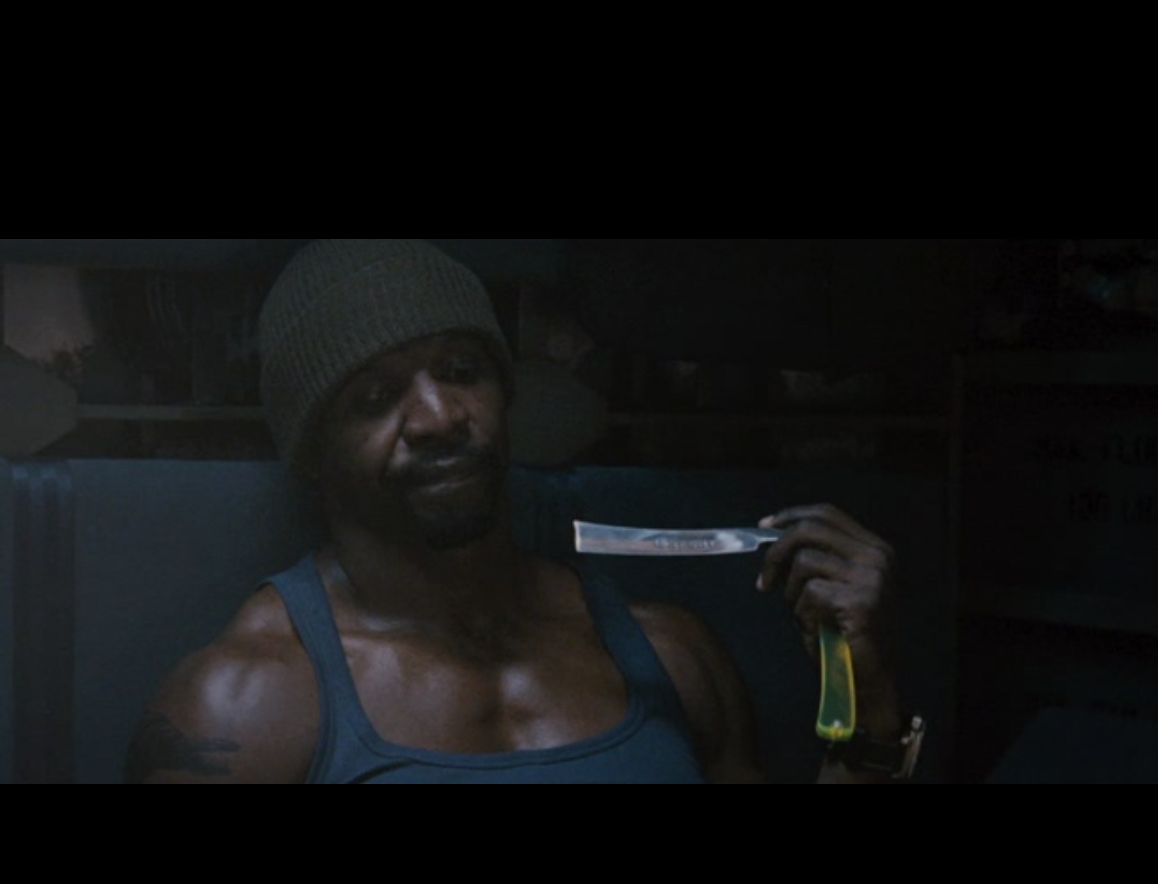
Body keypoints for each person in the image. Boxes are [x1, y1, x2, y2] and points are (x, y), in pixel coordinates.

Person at [125, 239, 911, 785]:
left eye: (461, 370)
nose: (438, 416)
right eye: (375, 397)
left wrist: (869, 703)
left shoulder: (671, 656)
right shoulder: (246, 707)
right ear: (313, 453)